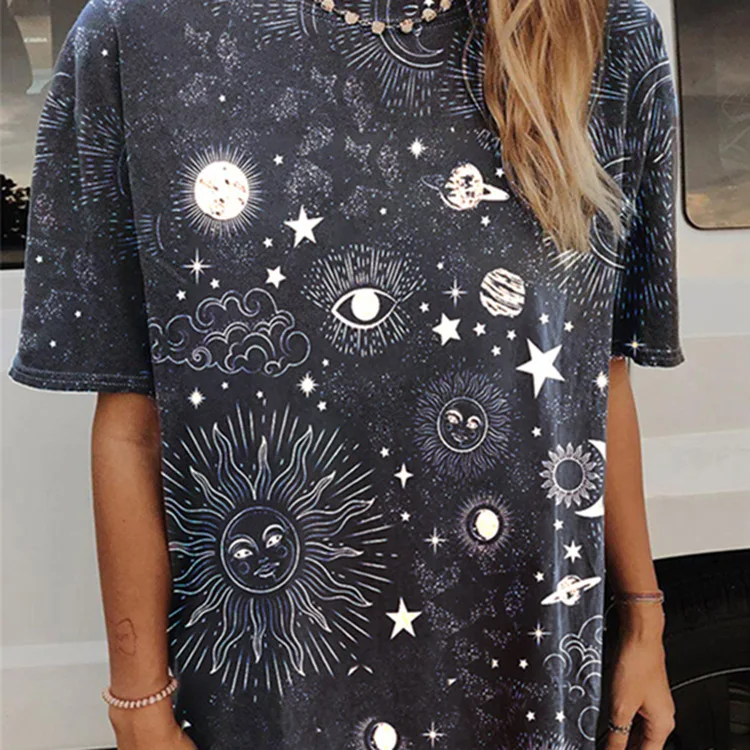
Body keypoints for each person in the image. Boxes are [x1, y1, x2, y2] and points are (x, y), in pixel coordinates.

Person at [7, 0, 685, 746]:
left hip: (525, 678)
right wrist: (137, 705)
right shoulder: (135, 36)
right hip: (268, 700)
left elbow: (597, 377)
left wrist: (643, 619)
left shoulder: (604, 36)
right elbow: (132, 422)